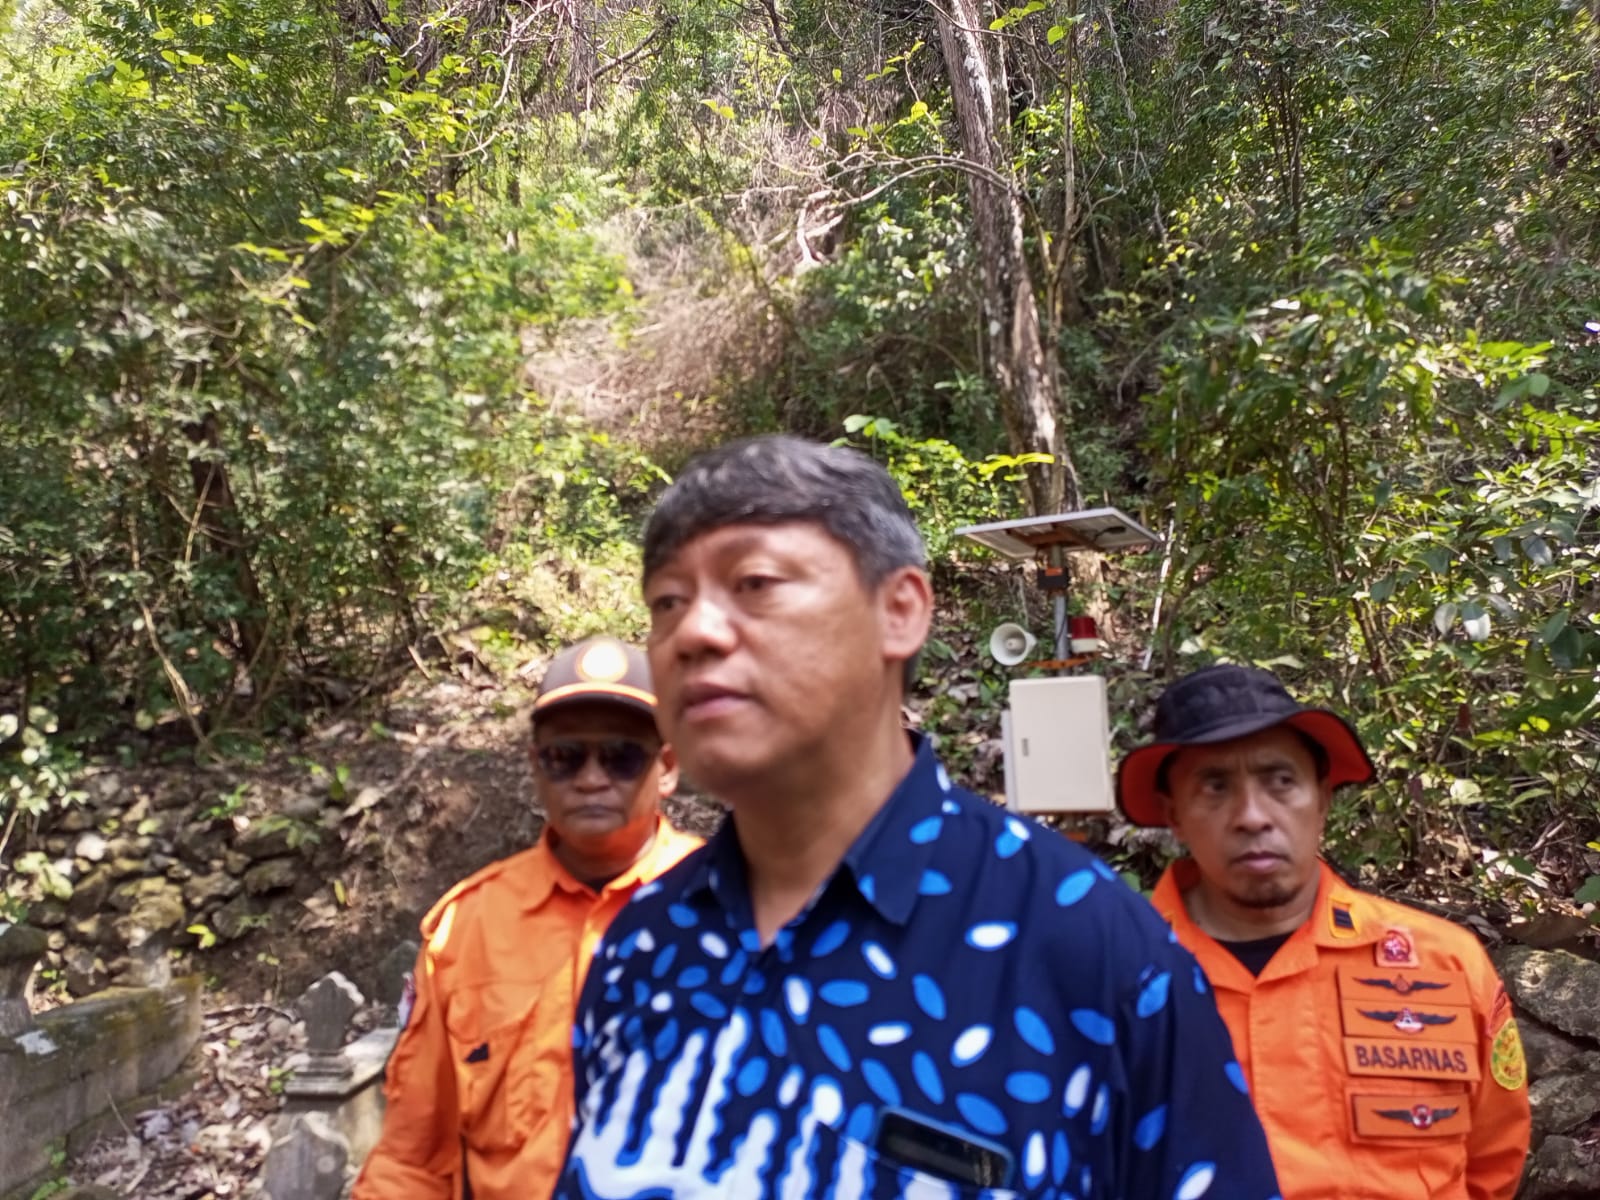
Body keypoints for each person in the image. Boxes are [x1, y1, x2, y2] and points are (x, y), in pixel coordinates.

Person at [551, 436, 1280, 1200]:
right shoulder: (644, 946)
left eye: (754, 582)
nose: (694, 632)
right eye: (667, 602)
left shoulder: (1085, 947)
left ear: (899, 611)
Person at [1117, 663, 1531, 1199]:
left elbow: (1493, 1164)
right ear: (1174, 815)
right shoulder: (1114, 976)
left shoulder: (1445, 963)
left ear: (1323, 797)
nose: (1251, 816)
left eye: (1280, 782)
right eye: (1214, 786)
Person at [352, 636, 701, 1200]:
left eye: (620, 756)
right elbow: (414, 1156)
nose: (591, 777)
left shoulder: (734, 910)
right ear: (536, 768)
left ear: (665, 768)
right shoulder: (468, 930)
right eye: (566, 757)